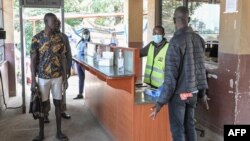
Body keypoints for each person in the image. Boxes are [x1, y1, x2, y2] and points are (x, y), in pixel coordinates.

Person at [150, 6, 208, 141]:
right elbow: (201, 70)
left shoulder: (175, 42)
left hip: (179, 96)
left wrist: (160, 103)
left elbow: (170, 78)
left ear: (173, 20)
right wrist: (203, 93)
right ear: (188, 19)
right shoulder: (199, 40)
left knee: (178, 130)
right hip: (193, 94)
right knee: (190, 126)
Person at [30, 13, 68, 141]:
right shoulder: (37, 39)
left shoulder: (60, 38)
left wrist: (65, 77)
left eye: (57, 21)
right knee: (42, 106)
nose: (57, 23)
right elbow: (33, 60)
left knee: (58, 104)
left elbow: (63, 58)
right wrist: (33, 81)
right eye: (54, 21)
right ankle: (41, 134)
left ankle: (59, 132)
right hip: (42, 77)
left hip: (57, 77)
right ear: (46, 22)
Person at [43, 19, 72, 123]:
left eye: (59, 24)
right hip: (46, 73)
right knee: (45, 96)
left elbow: (68, 53)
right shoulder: (44, 37)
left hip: (60, 71)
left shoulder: (63, 37)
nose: (57, 26)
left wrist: (68, 68)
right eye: (56, 24)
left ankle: (62, 111)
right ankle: (45, 114)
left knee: (61, 93)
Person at [73, 28, 91, 99]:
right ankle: (80, 93)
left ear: (89, 35)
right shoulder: (80, 42)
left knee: (87, 79)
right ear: (82, 35)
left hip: (84, 63)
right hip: (78, 62)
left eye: (87, 34)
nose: (85, 35)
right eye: (84, 34)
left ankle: (89, 96)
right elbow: (78, 51)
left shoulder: (90, 43)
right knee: (81, 79)